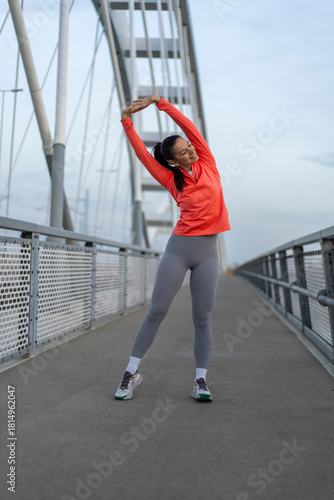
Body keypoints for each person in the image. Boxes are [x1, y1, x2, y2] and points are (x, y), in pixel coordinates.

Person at [114, 94, 230, 402]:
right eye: (183, 152)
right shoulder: (169, 178)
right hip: (179, 249)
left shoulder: (207, 161)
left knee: (202, 318)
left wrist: (160, 103)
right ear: (173, 160)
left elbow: (188, 126)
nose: (190, 152)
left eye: (189, 147)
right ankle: (130, 373)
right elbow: (142, 154)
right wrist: (127, 120)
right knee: (157, 311)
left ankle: (200, 381)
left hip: (207, 253)